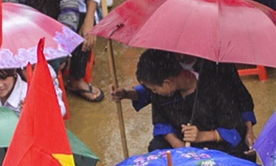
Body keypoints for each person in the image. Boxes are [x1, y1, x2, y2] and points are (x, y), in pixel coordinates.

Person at [110, 49, 257, 158]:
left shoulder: (217, 78)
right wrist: (181, 149)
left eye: (154, 89)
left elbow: (237, 120)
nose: (181, 57)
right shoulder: (163, 72)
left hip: (214, 140)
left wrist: (203, 136)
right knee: (157, 147)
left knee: (239, 153)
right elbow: (160, 119)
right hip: (182, 143)